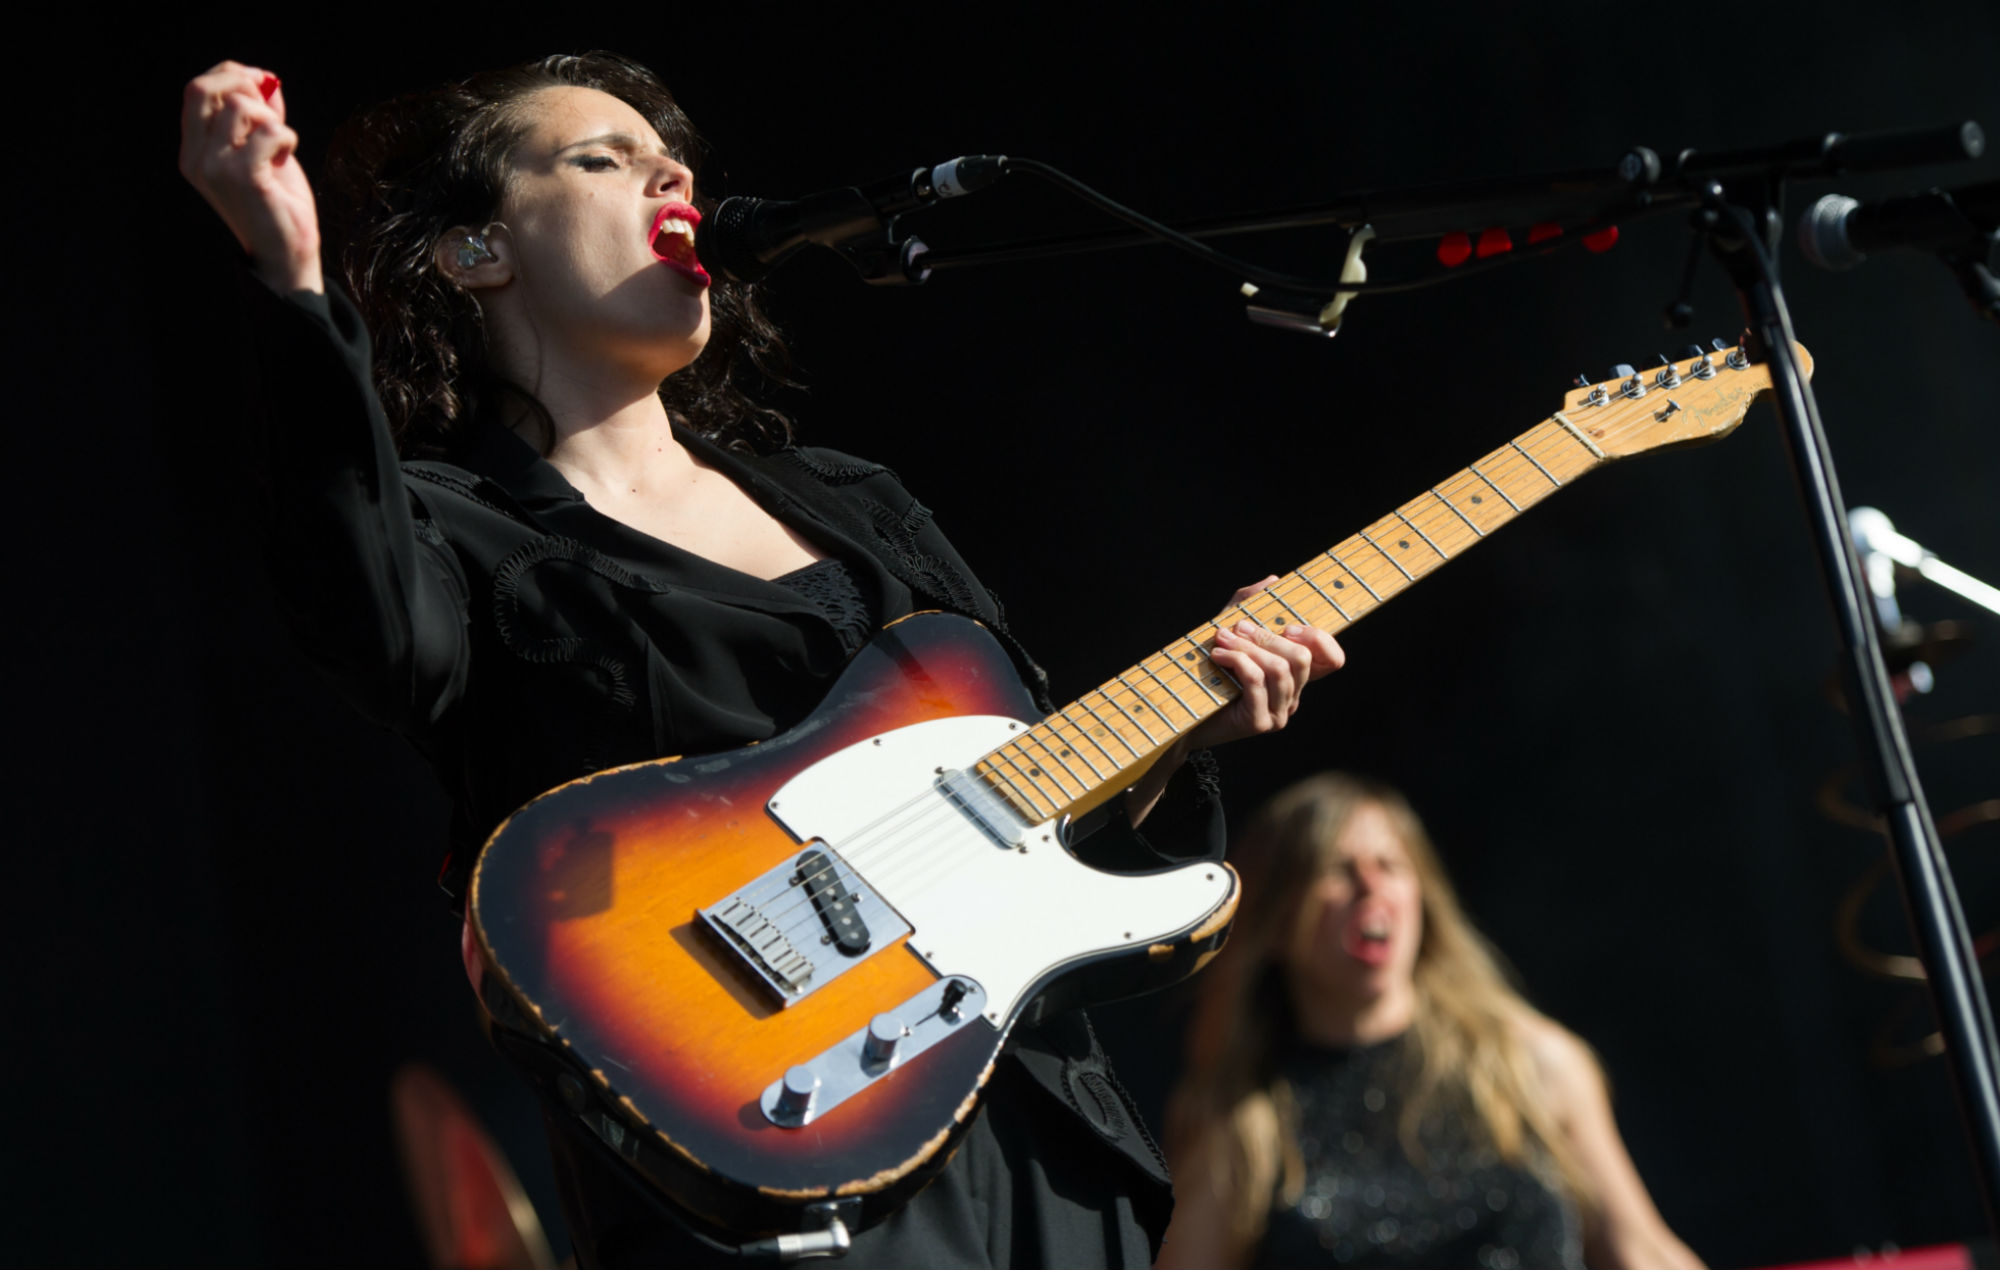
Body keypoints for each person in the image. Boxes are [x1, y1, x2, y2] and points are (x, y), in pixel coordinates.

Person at [177, 52, 1344, 1269]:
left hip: (1027, 1127)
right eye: (600, 157)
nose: (669, 170)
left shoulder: (856, 502)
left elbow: (1039, 815)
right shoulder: (463, 534)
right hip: (763, 1149)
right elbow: (350, 601)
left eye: (669, 155)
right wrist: (292, 277)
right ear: (478, 253)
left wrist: (1181, 726)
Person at [1156, 774, 1702, 1270]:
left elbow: (1642, 1251)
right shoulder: (1242, 1121)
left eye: (1391, 865)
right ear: (1274, 922)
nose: (1372, 888)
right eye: (1337, 870)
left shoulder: (1531, 1063)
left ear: (1423, 895)